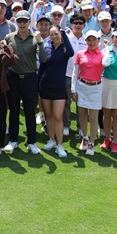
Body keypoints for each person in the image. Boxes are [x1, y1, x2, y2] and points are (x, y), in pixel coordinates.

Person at [3, 10, 47, 154]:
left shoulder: (35, 37)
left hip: (30, 79)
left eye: (25, 21)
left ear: (29, 22)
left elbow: (44, 58)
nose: (22, 24)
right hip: (13, 78)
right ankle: (13, 141)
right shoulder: (9, 37)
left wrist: (40, 41)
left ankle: (32, 142)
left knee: (29, 111)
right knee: (14, 110)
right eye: (19, 21)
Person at [39, 24, 74, 158]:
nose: (53, 36)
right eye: (51, 34)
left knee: (58, 117)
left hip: (59, 87)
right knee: (49, 116)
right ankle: (52, 140)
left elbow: (71, 53)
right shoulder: (47, 48)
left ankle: (60, 145)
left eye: (56, 34)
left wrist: (64, 34)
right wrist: (38, 87)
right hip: (45, 86)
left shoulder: (65, 49)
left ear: (60, 34)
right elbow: (42, 67)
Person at [71, 30, 104, 155]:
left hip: (95, 87)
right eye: (89, 40)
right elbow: (75, 73)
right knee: (82, 115)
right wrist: (73, 90)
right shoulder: (80, 54)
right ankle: (85, 138)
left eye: (94, 40)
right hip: (82, 86)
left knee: (94, 117)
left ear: (98, 41)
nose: (91, 42)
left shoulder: (102, 54)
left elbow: (106, 64)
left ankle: (92, 142)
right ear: (86, 41)